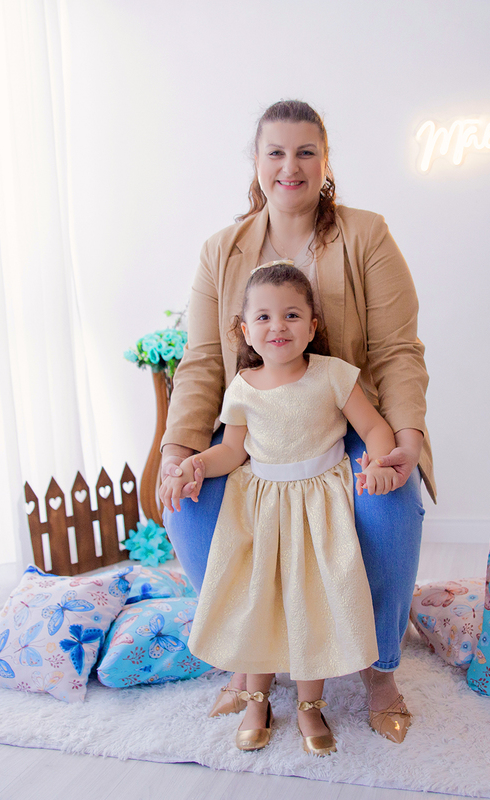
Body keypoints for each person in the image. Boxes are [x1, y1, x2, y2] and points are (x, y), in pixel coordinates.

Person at [161, 99, 435, 745]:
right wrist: (178, 453)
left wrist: (403, 444)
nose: (291, 166)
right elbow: (202, 360)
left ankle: (379, 670)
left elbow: (397, 350)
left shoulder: (367, 235)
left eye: (306, 152)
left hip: (348, 419)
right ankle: (248, 654)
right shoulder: (221, 250)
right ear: (256, 163)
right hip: (256, 427)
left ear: (326, 161)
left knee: (390, 513)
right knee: (189, 512)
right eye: (276, 152)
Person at [162, 263, 398, 755]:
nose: (278, 326)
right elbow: (232, 451)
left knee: (313, 605)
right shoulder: (243, 388)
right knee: (259, 604)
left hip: (319, 509)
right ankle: (257, 702)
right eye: (264, 317)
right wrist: (196, 463)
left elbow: (374, 427)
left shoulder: (332, 375)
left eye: (292, 315)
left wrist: (379, 461)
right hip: (262, 511)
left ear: (312, 326)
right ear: (246, 331)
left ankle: (311, 706)